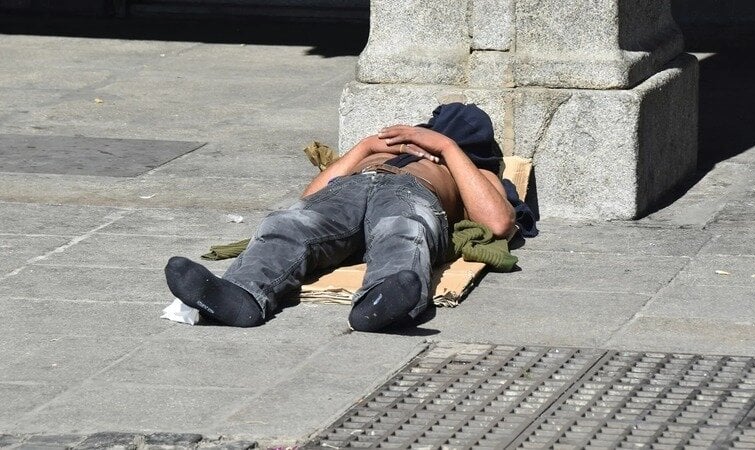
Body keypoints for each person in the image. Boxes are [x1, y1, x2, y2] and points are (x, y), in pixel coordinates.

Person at [164, 102, 515, 331]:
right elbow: (310, 198)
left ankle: (381, 303)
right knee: (287, 224)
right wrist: (365, 147)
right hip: (349, 188)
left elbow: (498, 222)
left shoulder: (469, 167)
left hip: (411, 193)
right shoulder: (384, 150)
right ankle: (241, 295)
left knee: (405, 232)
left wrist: (448, 148)